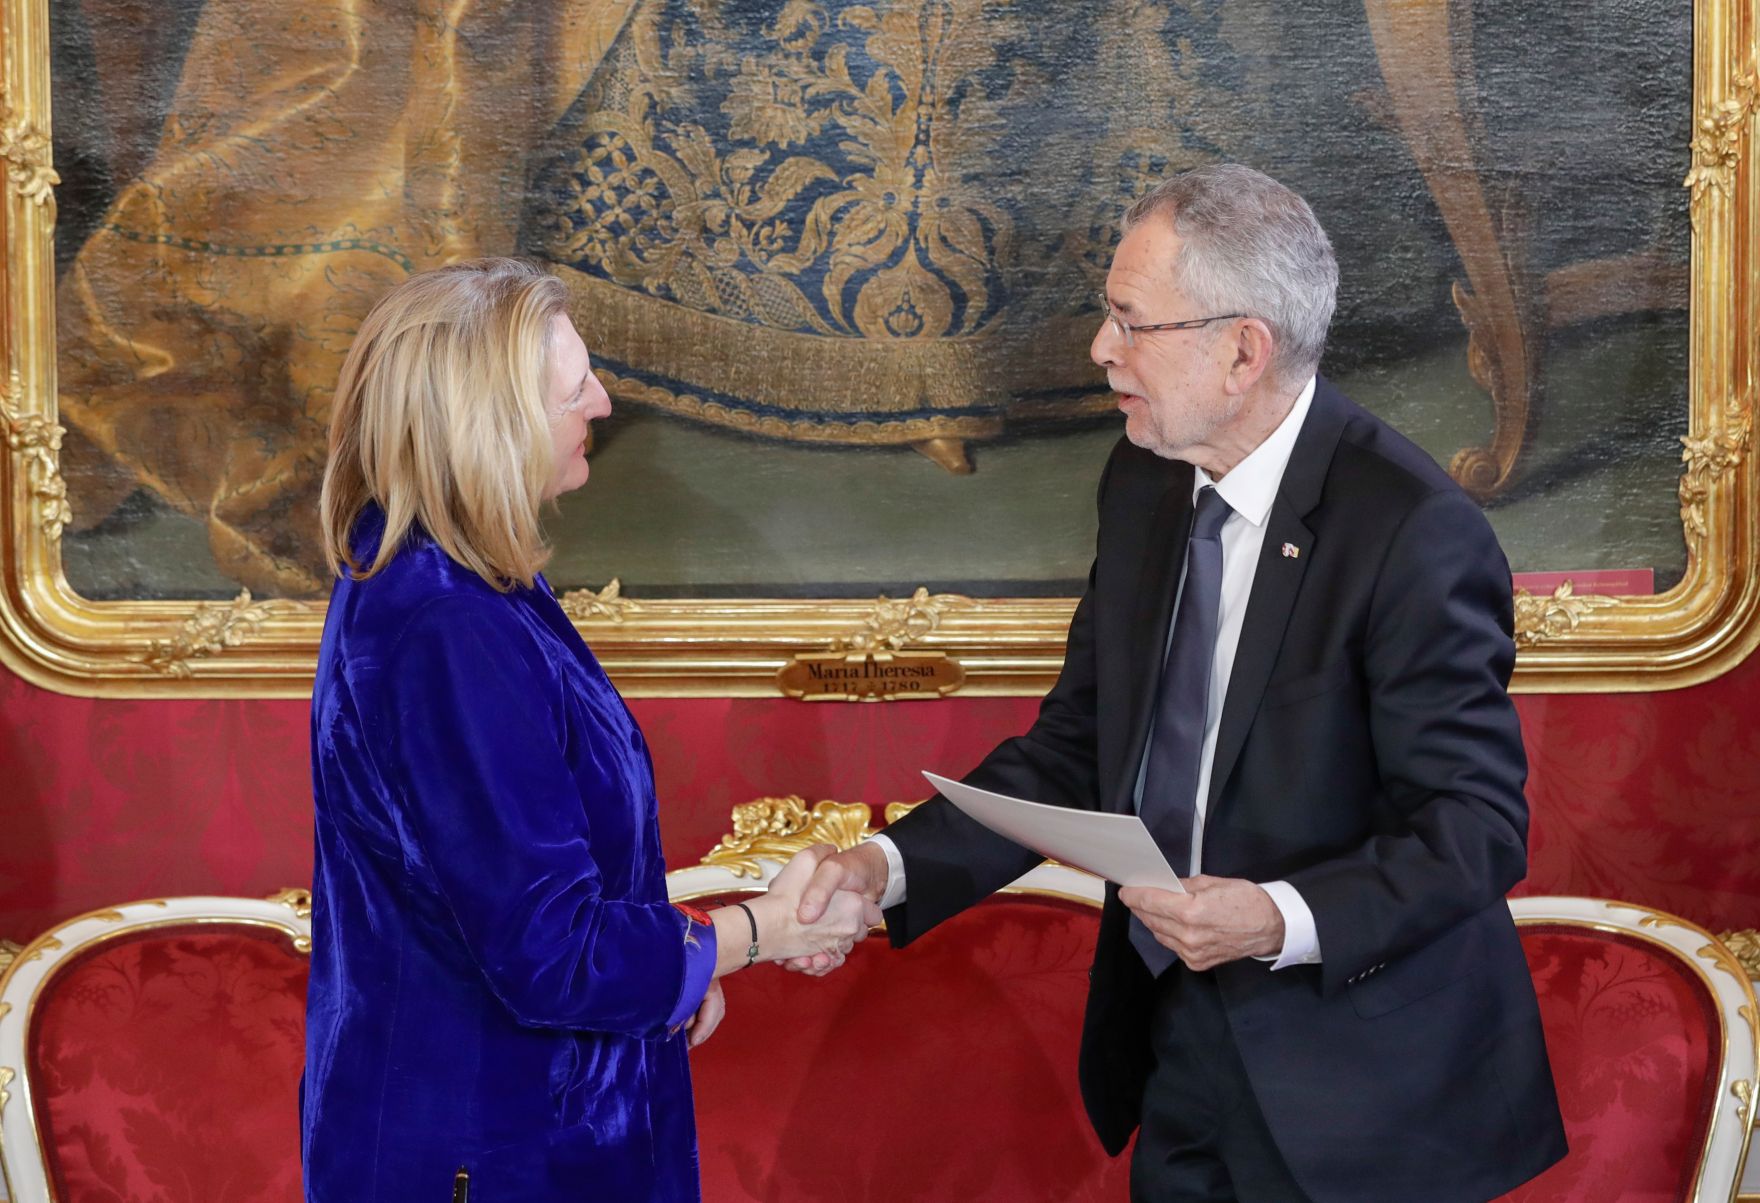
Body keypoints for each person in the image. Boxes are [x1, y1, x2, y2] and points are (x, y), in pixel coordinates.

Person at [793, 165, 1566, 1202]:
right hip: (1176, 1041)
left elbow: (1474, 827)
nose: (1099, 349)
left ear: (1242, 350)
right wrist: (879, 867)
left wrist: (1275, 917)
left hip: (1365, 1099)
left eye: (1130, 321)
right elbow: (1079, 745)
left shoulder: (1412, 532)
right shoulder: (1144, 480)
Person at [301, 257, 878, 1203]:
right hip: (492, 1151)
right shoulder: (448, 624)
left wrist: (675, 973)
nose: (604, 404)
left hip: (512, 1122)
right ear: (492, 424)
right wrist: (761, 929)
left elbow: (516, 894)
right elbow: (550, 950)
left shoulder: (452, 577)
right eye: (575, 389)